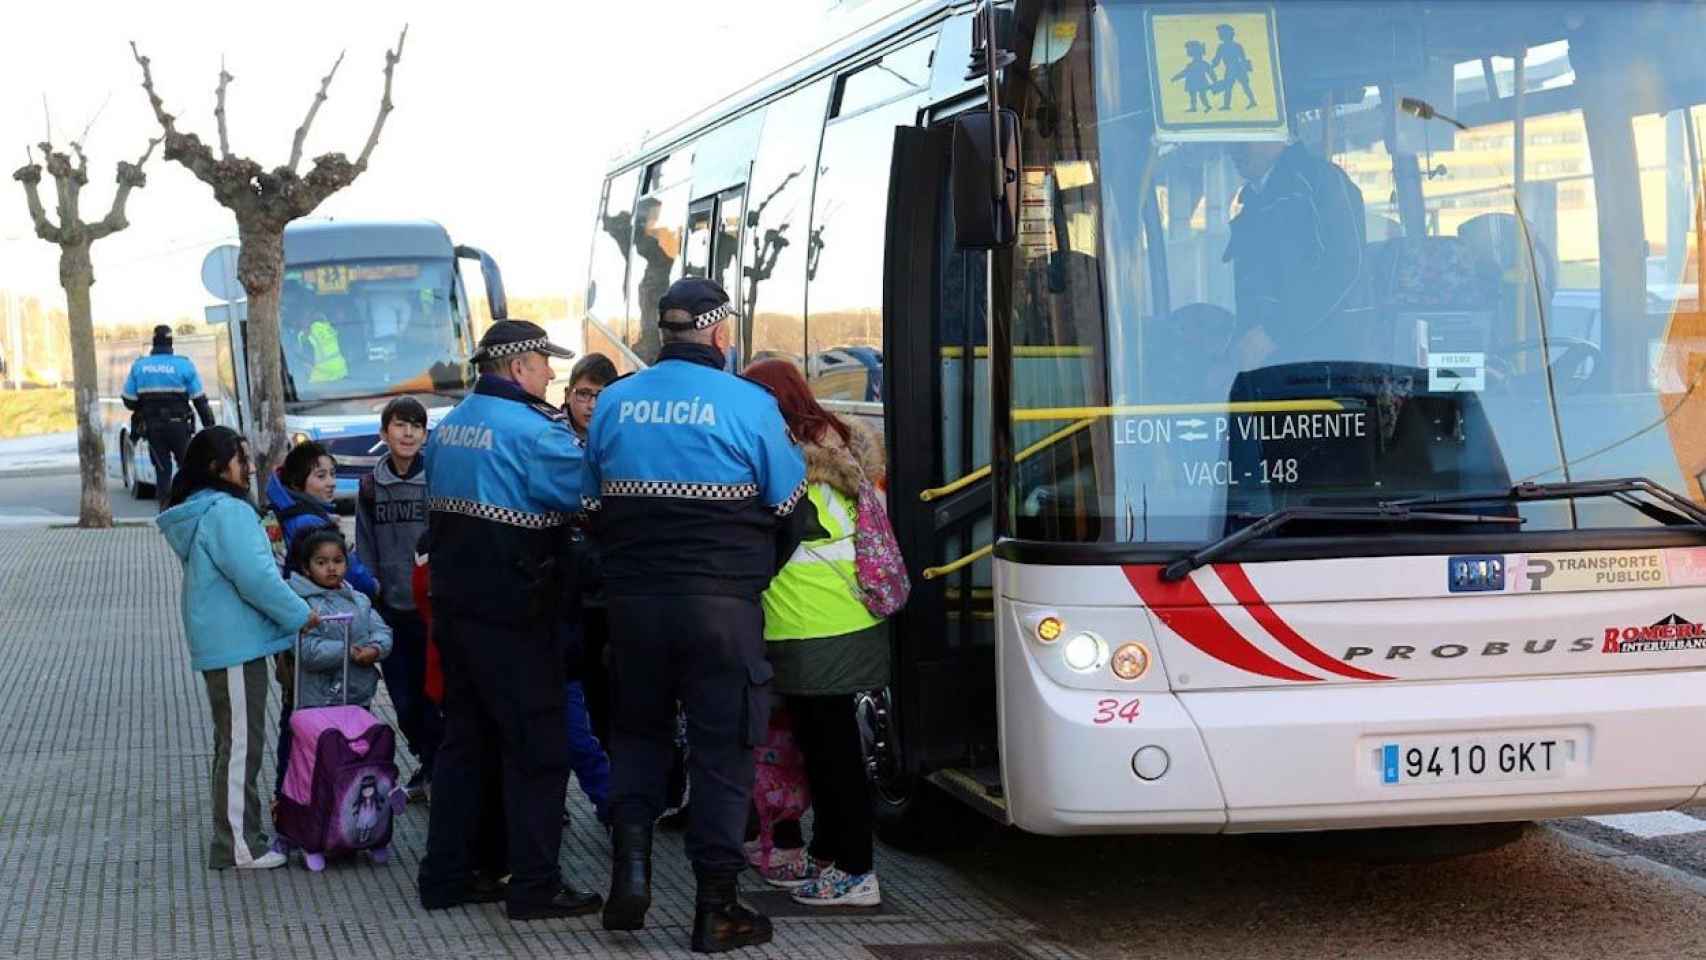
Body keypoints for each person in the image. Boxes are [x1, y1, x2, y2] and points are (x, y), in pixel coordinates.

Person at [582, 277, 811, 953]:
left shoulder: (615, 403)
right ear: (719, 333)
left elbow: (590, 508)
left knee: (638, 737)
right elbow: (789, 508)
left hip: (633, 609)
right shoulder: (749, 403)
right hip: (720, 610)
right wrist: (748, 580)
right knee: (722, 754)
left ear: (663, 334)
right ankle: (717, 909)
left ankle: (631, 874)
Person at [416, 319, 602, 922]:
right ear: (519, 365)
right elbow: (590, 500)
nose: (551, 373)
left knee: (464, 744)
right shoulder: (535, 432)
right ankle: (535, 886)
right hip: (519, 615)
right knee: (539, 751)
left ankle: (446, 876)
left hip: (457, 611)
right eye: (545, 363)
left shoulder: (450, 428)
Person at [743, 359, 890, 908]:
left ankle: (856, 872)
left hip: (815, 626)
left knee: (834, 758)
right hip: (834, 622)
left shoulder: (793, 466)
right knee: (826, 749)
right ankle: (831, 856)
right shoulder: (834, 451)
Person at [156, 426, 314, 871]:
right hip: (234, 645)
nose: (249, 466)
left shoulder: (209, 509)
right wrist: (301, 614)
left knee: (234, 743)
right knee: (241, 745)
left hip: (230, 643)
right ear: (215, 468)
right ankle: (237, 845)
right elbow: (257, 578)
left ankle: (243, 834)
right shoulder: (227, 512)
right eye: (240, 458)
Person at [266, 440, 380, 795]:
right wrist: (373, 587)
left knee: (295, 717)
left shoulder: (290, 513)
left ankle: (294, 796)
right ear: (299, 483)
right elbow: (353, 576)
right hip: (319, 630)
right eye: (320, 476)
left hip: (298, 630)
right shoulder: (307, 523)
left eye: (332, 474)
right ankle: (300, 797)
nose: (330, 482)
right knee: (304, 720)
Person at [1220, 139, 1371, 372]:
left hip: (1325, 363)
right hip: (1273, 362)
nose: (1232, 150)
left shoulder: (1318, 181)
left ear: (1272, 136)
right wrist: (1234, 355)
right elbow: (1251, 291)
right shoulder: (1252, 200)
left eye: (1242, 140)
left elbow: (1344, 268)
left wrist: (1272, 334)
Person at [356, 396, 441, 802]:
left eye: (416, 426)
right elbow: (364, 541)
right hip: (390, 608)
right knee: (404, 701)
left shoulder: (437, 479)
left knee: (434, 695)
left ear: (425, 435)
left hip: (432, 608)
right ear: (384, 433)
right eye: (400, 425)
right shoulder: (371, 485)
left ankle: (440, 768)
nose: (408, 433)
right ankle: (429, 762)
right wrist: (372, 588)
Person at [288, 529, 395, 709]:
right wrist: (347, 651)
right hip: (320, 701)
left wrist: (375, 649)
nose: (331, 568)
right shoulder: (301, 603)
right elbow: (305, 649)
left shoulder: (359, 600)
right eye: (321, 562)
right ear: (306, 568)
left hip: (359, 696)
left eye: (338, 561)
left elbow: (382, 630)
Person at [122, 325, 216, 512]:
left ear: (154, 342)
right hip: (179, 427)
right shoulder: (184, 365)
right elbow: (199, 400)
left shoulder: (140, 366)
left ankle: (165, 511)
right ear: (171, 343)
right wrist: (210, 428)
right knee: (188, 467)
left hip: (153, 428)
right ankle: (190, 508)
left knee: (162, 470)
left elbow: (129, 400)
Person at [301, 311, 349, 383]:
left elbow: (305, 359)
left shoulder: (305, 334)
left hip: (322, 378)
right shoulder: (330, 328)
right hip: (341, 372)